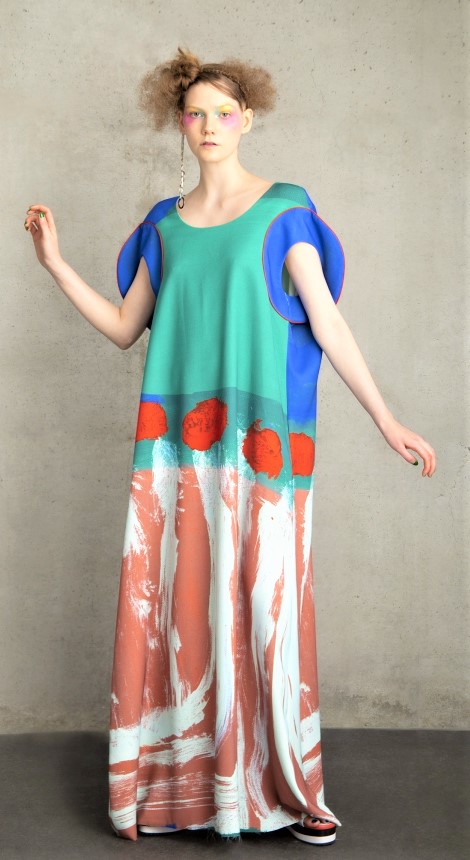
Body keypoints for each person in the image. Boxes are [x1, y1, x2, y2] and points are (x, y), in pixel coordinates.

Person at [24, 47, 436, 847]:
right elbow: (123, 328)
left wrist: (386, 419)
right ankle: (181, 791)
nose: (209, 125)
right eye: (196, 113)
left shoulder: (285, 210)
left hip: (265, 458)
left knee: (268, 609)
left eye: (224, 112)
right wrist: (55, 265)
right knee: (180, 614)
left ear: (247, 119)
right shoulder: (163, 225)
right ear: (180, 123)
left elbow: (329, 325)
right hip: (174, 462)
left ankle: (293, 789)